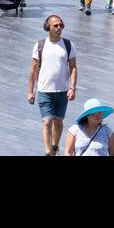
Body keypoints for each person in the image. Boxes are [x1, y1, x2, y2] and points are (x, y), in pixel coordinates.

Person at [27, 15, 77, 156]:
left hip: (62, 91)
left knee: (58, 121)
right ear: (48, 27)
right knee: (47, 122)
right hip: (44, 90)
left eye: (61, 25)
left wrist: (72, 88)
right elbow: (33, 70)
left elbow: (73, 67)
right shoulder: (40, 45)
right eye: (55, 25)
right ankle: (48, 152)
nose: (59, 28)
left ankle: (55, 145)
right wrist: (30, 91)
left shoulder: (68, 45)